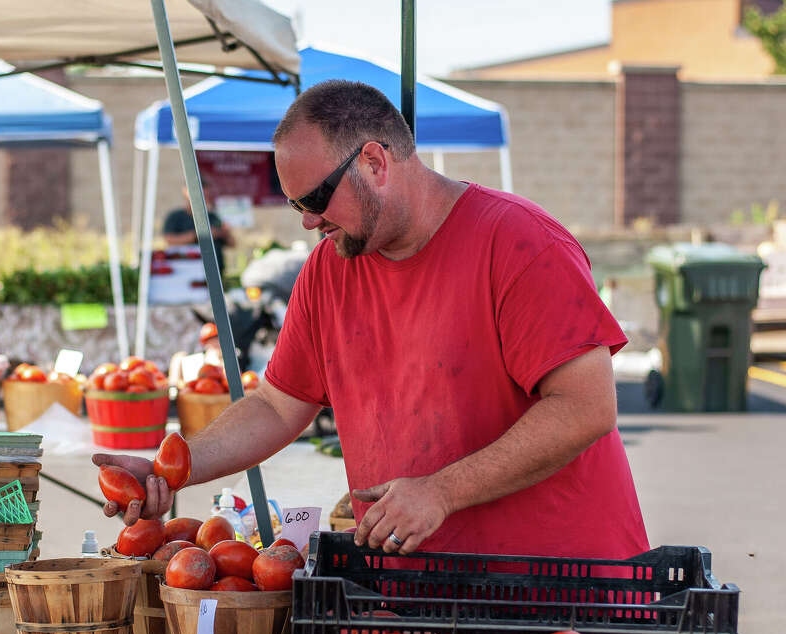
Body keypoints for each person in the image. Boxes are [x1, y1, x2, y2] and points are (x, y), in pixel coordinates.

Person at [95, 79, 648, 561]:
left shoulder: (520, 243)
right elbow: (277, 406)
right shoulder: (326, 273)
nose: (309, 221)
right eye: (296, 206)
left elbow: (585, 406)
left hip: (559, 590)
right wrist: (176, 465)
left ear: (375, 163)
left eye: (315, 198)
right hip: (418, 596)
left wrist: (441, 492)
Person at [162, 178, 234, 277]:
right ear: (186, 193)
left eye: (206, 196)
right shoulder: (176, 216)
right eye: (201, 196)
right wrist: (202, 235)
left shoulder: (213, 216)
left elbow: (232, 243)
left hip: (215, 271)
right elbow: (169, 239)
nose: (204, 200)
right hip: (187, 270)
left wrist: (223, 233)